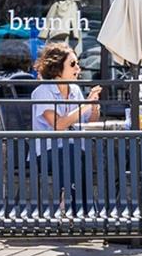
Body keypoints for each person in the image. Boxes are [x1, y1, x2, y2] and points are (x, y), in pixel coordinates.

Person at [30, 43, 101, 207]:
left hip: (73, 150)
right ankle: (72, 204)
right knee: (71, 152)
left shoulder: (75, 90)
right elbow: (58, 124)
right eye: (73, 64)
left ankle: (73, 203)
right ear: (57, 68)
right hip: (47, 151)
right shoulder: (43, 91)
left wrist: (94, 104)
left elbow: (90, 122)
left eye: (77, 64)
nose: (78, 68)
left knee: (80, 154)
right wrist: (86, 105)